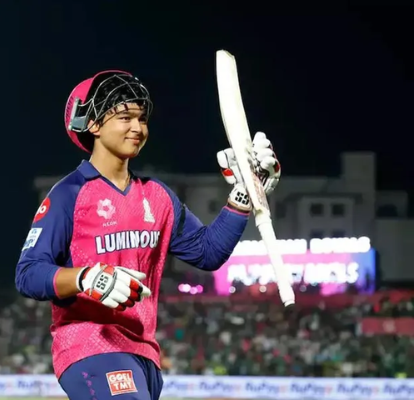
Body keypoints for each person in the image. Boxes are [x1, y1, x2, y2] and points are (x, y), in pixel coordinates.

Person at [15, 70, 281, 400]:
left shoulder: (157, 195)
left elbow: (208, 252)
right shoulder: (69, 194)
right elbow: (28, 273)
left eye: (142, 118)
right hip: (90, 345)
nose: (138, 128)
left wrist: (244, 193)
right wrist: (87, 278)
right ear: (93, 124)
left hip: (144, 354)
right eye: (125, 117)